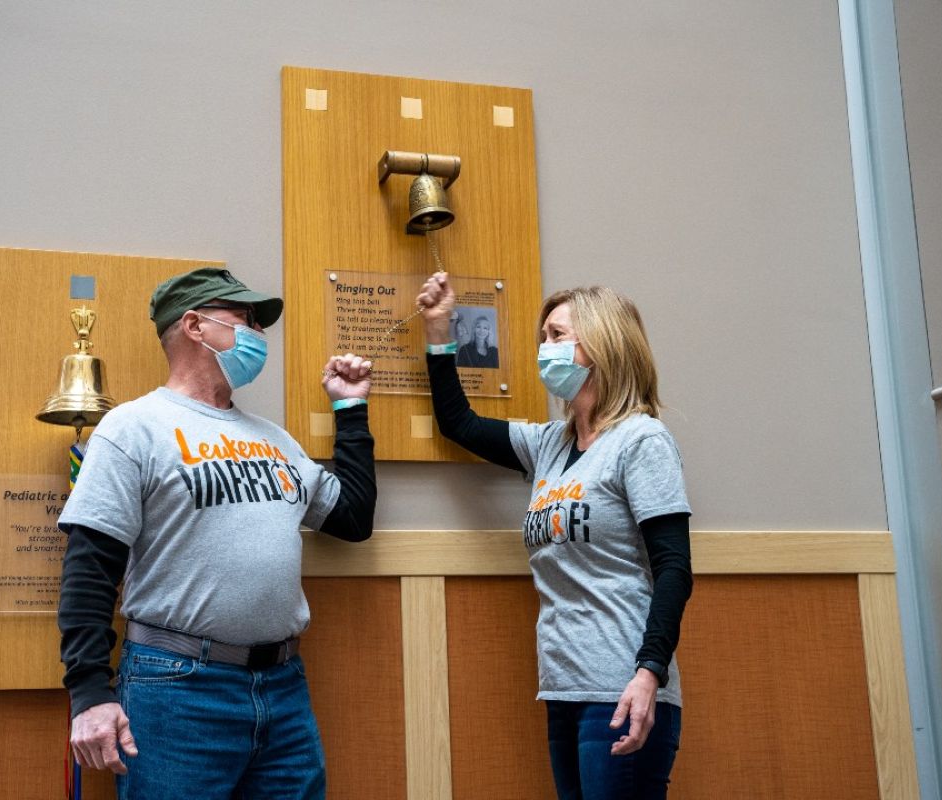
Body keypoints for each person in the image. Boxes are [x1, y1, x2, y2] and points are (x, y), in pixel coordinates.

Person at [57, 267, 376, 800]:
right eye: (245, 319)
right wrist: (90, 693)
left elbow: (353, 518)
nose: (257, 333)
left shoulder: (275, 440)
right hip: (176, 687)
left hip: (283, 687)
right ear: (194, 326)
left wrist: (350, 406)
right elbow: (89, 566)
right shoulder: (133, 428)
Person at [417, 273, 692, 800]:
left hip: (621, 686)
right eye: (544, 337)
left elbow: (674, 568)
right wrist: (437, 329)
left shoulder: (642, 440)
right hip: (563, 686)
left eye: (557, 335)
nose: (545, 349)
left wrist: (649, 672)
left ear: (602, 344)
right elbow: (460, 424)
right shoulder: (550, 443)